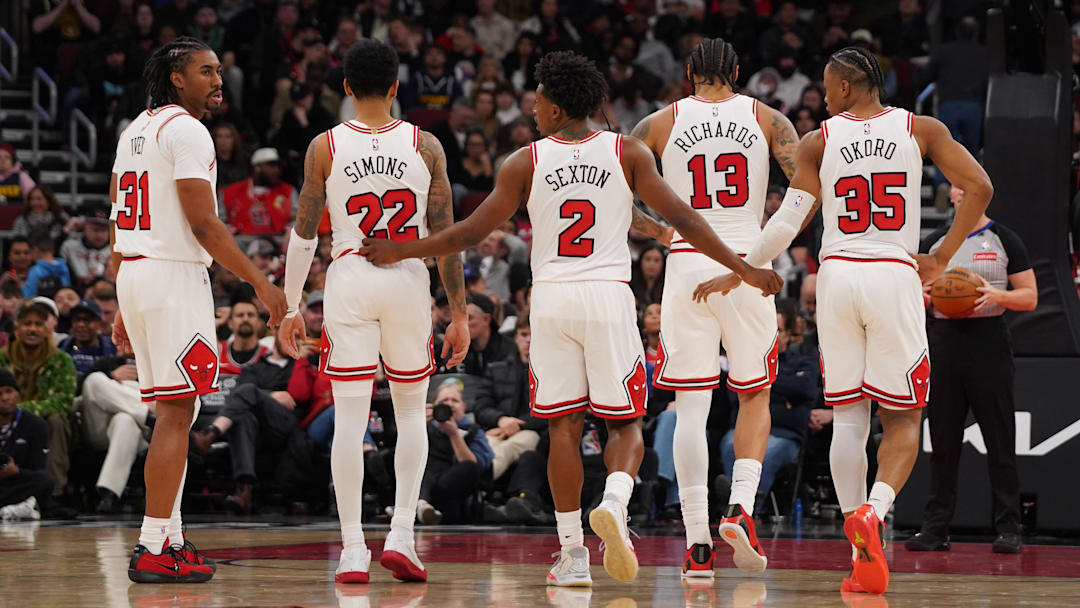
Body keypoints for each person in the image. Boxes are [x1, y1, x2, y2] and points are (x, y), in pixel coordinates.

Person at [360, 50, 782, 587]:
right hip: (607, 298)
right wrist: (743, 266)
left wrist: (402, 249)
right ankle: (613, 500)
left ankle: (573, 555)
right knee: (625, 423)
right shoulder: (627, 152)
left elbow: (468, 233)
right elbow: (682, 219)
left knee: (563, 428)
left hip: (553, 299)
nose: (533, 108)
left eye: (538, 99)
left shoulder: (524, 161)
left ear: (557, 108)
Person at [694, 46, 994, 595]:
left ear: (849, 88)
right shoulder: (920, 128)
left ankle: (859, 557)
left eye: (828, 87)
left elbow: (787, 221)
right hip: (892, 274)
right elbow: (980, 188)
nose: (824, 95)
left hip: (836, 279)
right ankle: (874, 516)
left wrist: (741, 270)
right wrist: (943, 255)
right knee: (904, 419)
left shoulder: (819, 140)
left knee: (850, 417)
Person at [277, 39, 469, 585]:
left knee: (351, 418)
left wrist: (292, 306)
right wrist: (458, 310)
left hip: (350, 279)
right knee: (411, 415)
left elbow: (303, 232)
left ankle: (353, 549)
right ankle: (403, 535)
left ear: (344, 88)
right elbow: (447, 235)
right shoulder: (426, 144)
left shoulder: (324, 146)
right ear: (395, 87)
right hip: (408, 279)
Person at [109, 36, 286, 583]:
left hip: (137, 273)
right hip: (172, 276)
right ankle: (151, 544)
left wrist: (120, 302)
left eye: (218, 71)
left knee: (173, 414)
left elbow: (119, 223)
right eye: (206, 71)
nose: (217, 80)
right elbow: (204, 224)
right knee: (177, 414)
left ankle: (171, 538)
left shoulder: (133, 130)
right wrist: (261, 281)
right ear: (177, 78)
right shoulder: (189, 130)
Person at [629, 38, 800, 576]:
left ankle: (697, 542)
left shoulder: (657, 123)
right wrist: (765, 255)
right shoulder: (770, 119)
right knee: (754, 394)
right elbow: (806, 191)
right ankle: (742, 507)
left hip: (684, 262)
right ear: (738, 70)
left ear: (687, 74)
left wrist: (659, 230)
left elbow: (615, 191)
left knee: (691, 405)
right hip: (745, 260)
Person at [905, 186, 1036, 555]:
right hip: (944, 340)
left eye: (967, 188)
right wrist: (928, 295)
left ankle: (1009, 528)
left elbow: (1030, 296)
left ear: (982, 195)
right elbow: (913, 291)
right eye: (956, 190)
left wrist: (997, 296)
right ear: (952, 198)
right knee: (943, 442)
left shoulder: (1004, 239)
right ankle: (936, 528)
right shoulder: (934, 242)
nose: (960, 195)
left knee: (1000, 440)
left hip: (988, 340)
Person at [719, 305, 817, 515]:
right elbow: (732, 393)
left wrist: (763, 383)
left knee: (769, 451)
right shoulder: (748, 361)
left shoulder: (804, 361)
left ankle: (745, 507)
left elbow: (805, 389)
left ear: (788, 335)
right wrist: (786, 386)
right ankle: (737, 502)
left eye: (777, 329)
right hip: (746, 428)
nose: (770, 334)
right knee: (728, 444)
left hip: (786, 434)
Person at [0, 301, 76, 501]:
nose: (32, 329)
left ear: (47, 330)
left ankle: (55, 492)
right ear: (17, 329)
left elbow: (63, 400)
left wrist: (24, 410)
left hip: (40, 422)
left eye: (38, 324)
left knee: (56, 419)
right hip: (4, 418)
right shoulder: (2, 358)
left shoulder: (61, 360)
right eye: (27, 324)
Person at [418, 378, 493, 524]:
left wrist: (454, 434)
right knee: (420, 468)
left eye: (455, 400)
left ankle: (420, 506)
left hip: (449, 490)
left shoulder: (473, 430)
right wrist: (419, 426)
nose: (449, 404)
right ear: (433, 406)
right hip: (425, 482)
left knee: (469, 467)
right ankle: (422, 505)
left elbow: (474, 467)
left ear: (464, 407)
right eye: (444, 400)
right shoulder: (424, 426)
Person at [0, 369, 52, 521]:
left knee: (45, 481)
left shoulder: (36, 425)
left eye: (8, 392)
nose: (4, 398)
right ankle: (17, 507)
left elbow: (38, 468)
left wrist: (15, 471)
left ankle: (10, 508)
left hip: (18, 482)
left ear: (17, 394)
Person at [221, 148, 297, 236]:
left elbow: (299, 221)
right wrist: (232, 231)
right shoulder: (230, 192)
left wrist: (288, 231)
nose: (277, 170)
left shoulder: (287, 191)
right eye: (271, 166)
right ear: (257, 167)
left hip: (279, 242)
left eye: (277, 166)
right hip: (241, 243)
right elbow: (218, 221)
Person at [59, 203, 112, 291]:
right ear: (84, 227)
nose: (99, 235)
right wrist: (66, 231)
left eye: (103, 230)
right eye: (94, 229)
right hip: (74, 291)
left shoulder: (115, 250)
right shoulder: (69, 246)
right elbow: (52, 255)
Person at [218, 300, 272, 375]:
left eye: (250, 315)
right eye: (240, 315)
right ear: (230, 323)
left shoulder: (268, 355)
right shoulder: (218, 352)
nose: (245, 319)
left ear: (259, 322)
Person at [22, 233, 71, 298]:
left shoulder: (35, 271)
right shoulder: (65, 268)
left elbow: (28, 297)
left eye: (29, 252)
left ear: (35, 250)